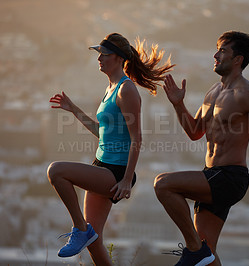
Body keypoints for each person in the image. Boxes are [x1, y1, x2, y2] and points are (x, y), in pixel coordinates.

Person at [154, 31, 249, 266]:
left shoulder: (245, 95)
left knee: (162, 184)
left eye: (223, 50)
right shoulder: (213, 91)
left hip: (229, 177)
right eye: (217, 49)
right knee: (208, 249)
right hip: (212, 174)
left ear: (238, 59)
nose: (215, 55)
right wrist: (179, 105)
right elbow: (195, 131)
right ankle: (198, 250)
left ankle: (193, 250)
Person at [47, 33, 173, 265]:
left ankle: (79, 229)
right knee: (95, 242)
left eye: (103, 54)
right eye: (99, 54)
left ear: (117, 58)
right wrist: (74, 109)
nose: (99, 59)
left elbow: (137, 138)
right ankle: (84, 232)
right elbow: (101, 132)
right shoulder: (110, 88)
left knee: (56, 171)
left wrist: (126, 180)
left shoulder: (127, 90)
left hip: (115, 173)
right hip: (102, 165)